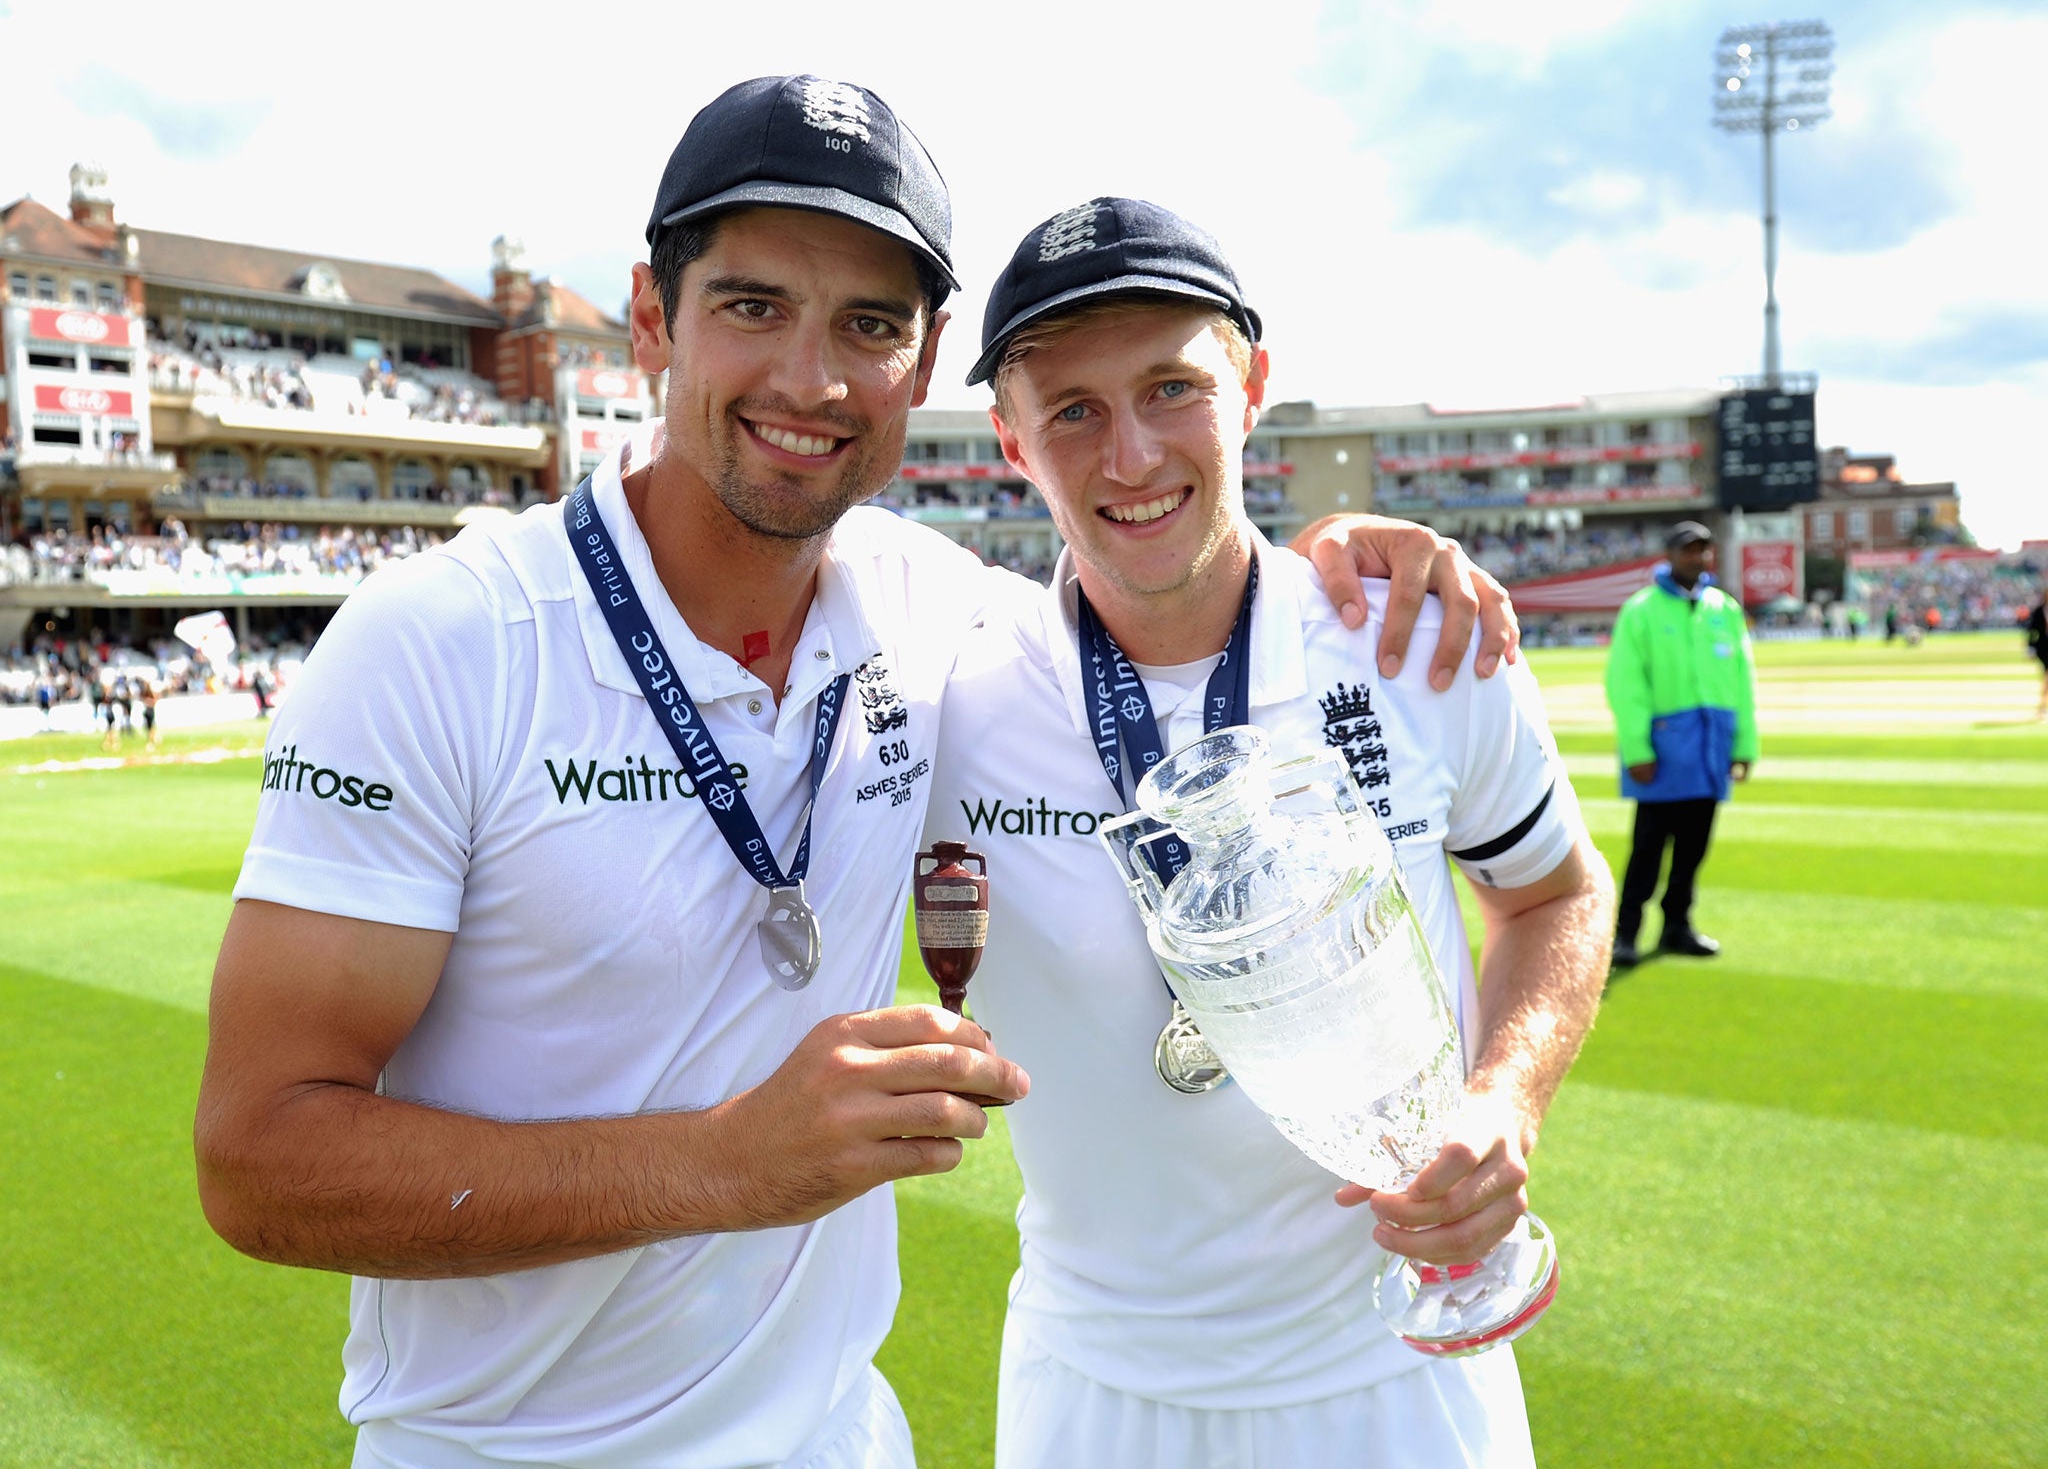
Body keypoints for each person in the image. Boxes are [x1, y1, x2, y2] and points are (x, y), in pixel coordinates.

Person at [193, 78, 1516, 1469]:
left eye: (871, 326)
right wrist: (722, 1164)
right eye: (753, 306)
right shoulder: (440, 644)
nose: (813, 381)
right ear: (653, 315)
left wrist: (1350, 554)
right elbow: (257, 1160)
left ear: (928, 356)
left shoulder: (935, 614)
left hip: (839, 1439)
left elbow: (1156, 582)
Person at [924, 199, 1613, 1467]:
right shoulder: (948, 693)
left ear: (1250, 387)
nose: (1128, 455)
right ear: (1011, 445)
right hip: (1096, 1386)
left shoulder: (1415, 642)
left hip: (1402, 1371)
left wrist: (1502, 1101)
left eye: (1170, 388)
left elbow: (1555, 897)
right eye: (1070, 409)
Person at [1603, 521, 1758, 966]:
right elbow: (1625, 683)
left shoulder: (1723, 609)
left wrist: (1744, 745)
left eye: (1704, 550)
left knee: (1693, 849)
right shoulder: (1642, 610)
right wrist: (1636, 749)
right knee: (1648, 849)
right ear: (1670, 554)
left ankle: (1677, 926)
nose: (1698, 558)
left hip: (1712, 746)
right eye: (1689, 550)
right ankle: (1626, 933)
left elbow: (1743, 681)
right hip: (1664, 748)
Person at [2026, 586, 2048, 721]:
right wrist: (2030, 648)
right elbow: (2032, 631)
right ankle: (2042, 706)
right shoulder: (2039, 611)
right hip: (2044, 649)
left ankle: (2042, 706)